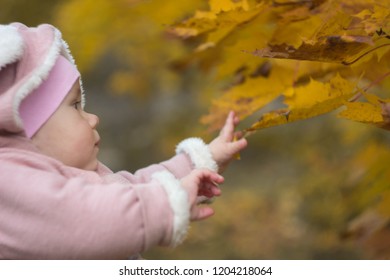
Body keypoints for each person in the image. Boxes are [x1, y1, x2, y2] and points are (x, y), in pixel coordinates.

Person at [0, 22, 247, 259]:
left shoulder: (69, 178)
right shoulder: (8, 186)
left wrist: (200, 163)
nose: (94, 118)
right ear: (24, 129)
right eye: (75, 106)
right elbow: (85, 219)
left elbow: (129, 192)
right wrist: (165, 203)